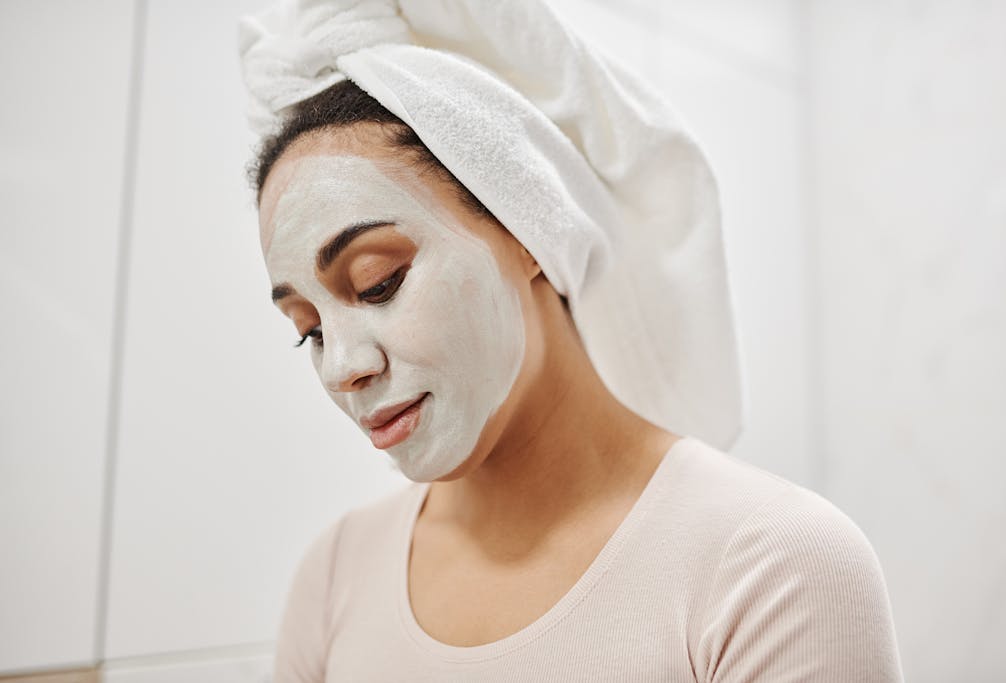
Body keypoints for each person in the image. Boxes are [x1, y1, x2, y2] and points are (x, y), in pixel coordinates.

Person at [240, 1, 905, 681]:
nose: (342, 367)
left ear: (528, 228)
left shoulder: (772, 570)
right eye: (309, 332)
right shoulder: (333, 578)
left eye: (380, 282)